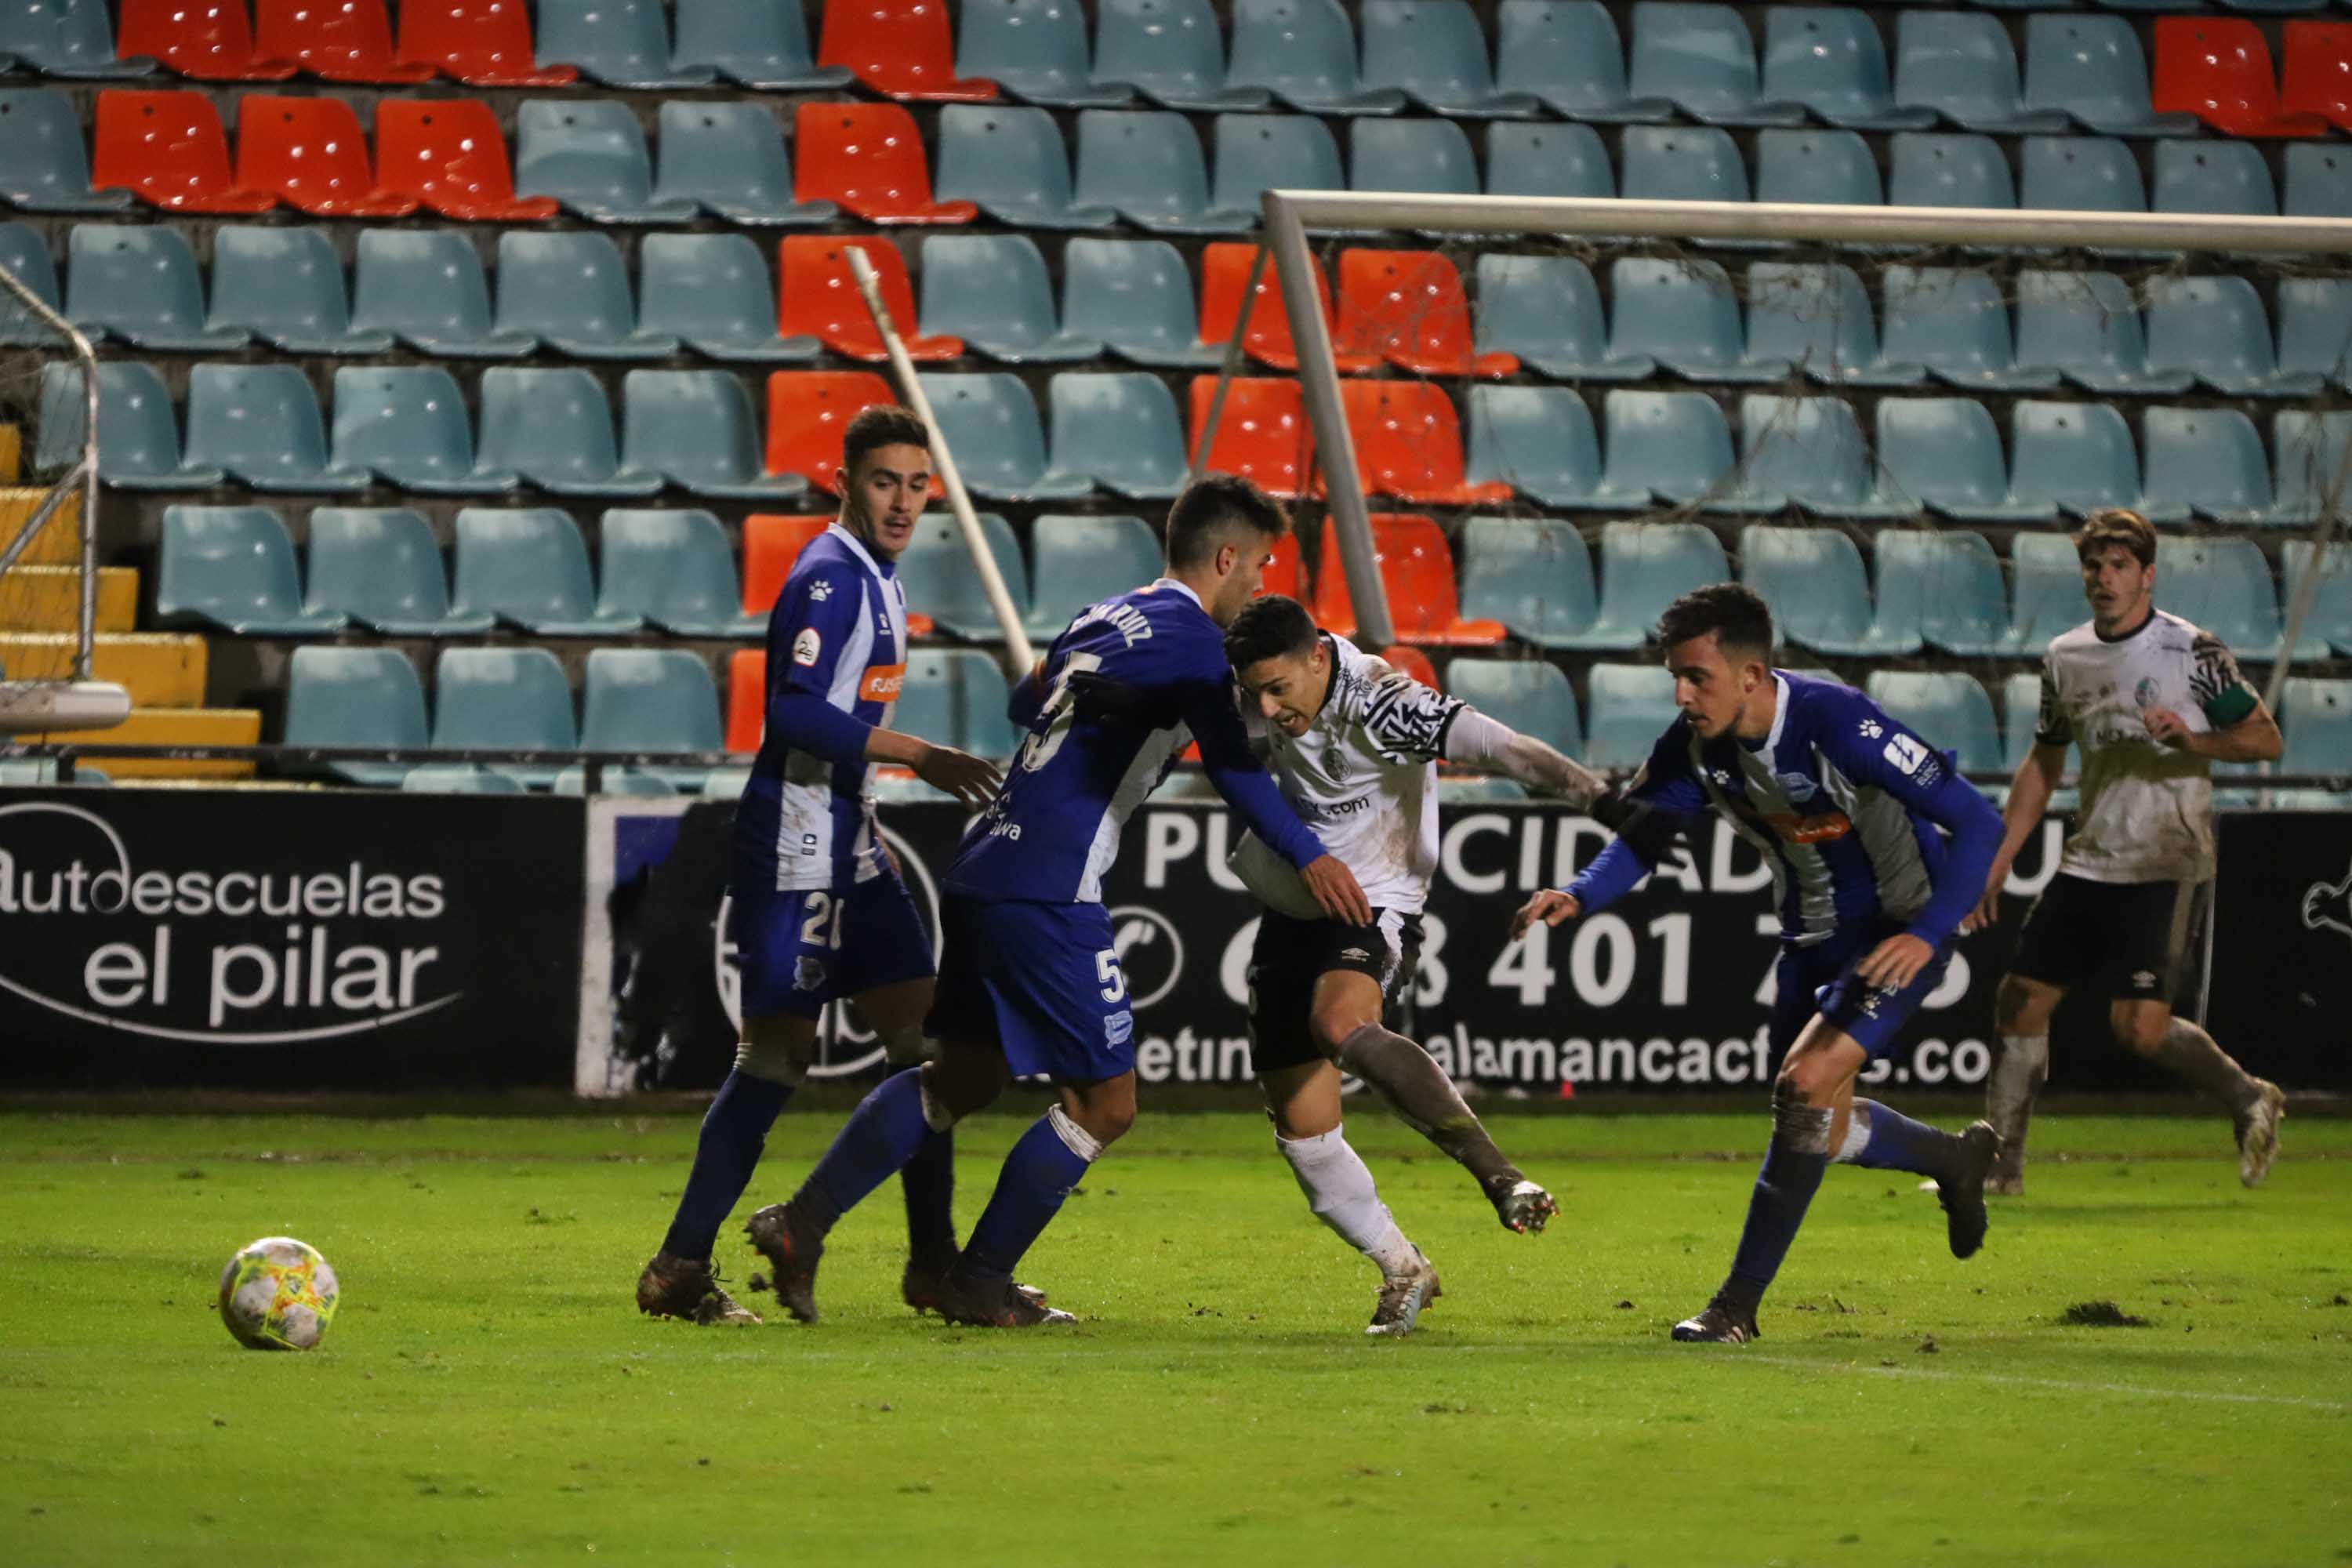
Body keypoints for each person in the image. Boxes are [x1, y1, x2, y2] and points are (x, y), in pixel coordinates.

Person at [745, 474, 1371, 1327]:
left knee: (961, 1073)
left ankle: (801, 1223)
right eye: (1259, 564)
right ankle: (978, 1280)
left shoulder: (1103, 615)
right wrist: (1312, 855)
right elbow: (1233, 768)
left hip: (984, 863)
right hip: (1047, 881)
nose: (1261, 582)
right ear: (1227, 557)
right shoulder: (1196, 643)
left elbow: (1025, 700)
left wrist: (1126, 697)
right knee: (1104, 1103)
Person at [1512, 584, 2004, 1346]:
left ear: (1751, 674)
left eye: (1696, 677)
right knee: (1819, 1127)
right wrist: (1579, 894)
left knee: (1802, 1089)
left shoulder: (1838, 722)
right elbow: (1645, 838)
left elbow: (1978, 820)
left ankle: (1736, 1306)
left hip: (1893, 935)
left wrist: (1930, 931)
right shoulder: (1693, 745)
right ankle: (1953, 1157)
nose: (1681, 695)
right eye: (1674, 677)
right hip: (1809, 941)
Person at [634, 407, 1002, 1326]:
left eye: (917, 485)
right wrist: (916, 752)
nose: (903, 502)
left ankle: (933, 1262)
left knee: (927, 1043)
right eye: (884, 481)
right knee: (775, 1057)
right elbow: (793, 712)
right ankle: (679, 1266)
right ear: (844, 482)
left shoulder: (881, 576)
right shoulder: (829, 577)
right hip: (795, 839)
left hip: (852, 837)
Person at [1218, 593, 1605, 1334]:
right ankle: (1404, 1269)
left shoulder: (1384, 703)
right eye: (1254, 694)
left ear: (1319, 658)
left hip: (1374, 904)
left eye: (1278, 690)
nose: (1266, 710)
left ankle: (1500, 1177)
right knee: (1304, 1133)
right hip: (1292, 902)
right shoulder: (1272, 688)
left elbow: (1503, 748)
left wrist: (1600, 800)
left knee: (1339, 1023)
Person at [1968, 510, 2285, 1194]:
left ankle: (2248, 1095)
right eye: (2094, 566)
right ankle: (1999, 1171)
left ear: (2147, 576)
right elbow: (2044, 762)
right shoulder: (2066, 657)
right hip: (2090, 858)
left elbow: (2265, 738)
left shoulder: (2192, 652)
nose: (2104, 578)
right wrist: (1998, 860)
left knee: (2138, 1029)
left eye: (2119, 566)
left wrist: (2192, 741)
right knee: (2019, 1001)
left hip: (2166, 858)